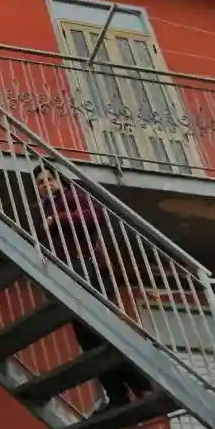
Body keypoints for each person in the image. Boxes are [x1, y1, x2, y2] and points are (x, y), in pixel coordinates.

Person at [32, 163, 153, 413]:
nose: (46, 186)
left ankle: (141, 383)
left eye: (49, 180)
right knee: (88, 339)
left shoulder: (72, 195)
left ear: (59, 181)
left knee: (103, 328)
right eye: (41, 184)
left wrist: (59, 218)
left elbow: (97, 216)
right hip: (67, 272)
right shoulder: (40, 211)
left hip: (89, 268)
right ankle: (119, 393)